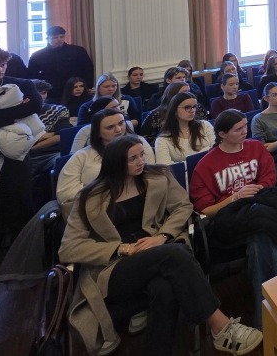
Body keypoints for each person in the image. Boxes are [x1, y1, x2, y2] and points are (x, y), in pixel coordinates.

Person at [59, 135, 262, 356]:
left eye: (141, 155)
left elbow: (183, 206)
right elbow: (69, 248)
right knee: (175, 254)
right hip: (115, 268)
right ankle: (221, 327)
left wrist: (163, 236)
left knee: (164, 287)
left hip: (157, 252)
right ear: (116, 163)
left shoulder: (158, 176)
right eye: (132, 159)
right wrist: (123, 248)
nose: (141, 161)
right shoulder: (90, 196)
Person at [189, 109, 277, 327]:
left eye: (245, 126)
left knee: (260, 237)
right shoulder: (206, 165)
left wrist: (256, 190)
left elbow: (269, 177)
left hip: (259, 209)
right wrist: (235, 197)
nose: (245, 131)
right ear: (222, 134)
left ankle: (266, 321)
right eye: (238, 129)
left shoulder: (256, 147)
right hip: (229, 219)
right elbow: (205, 210)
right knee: (265, 219)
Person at [0, 47, 44, 239]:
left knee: (19, 200)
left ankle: (22, 244)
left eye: (3, 65)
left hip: (16, 152)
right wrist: (15, 114)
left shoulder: (21, 84)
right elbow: (23, 113)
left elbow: (35, 106)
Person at [57, 108, 155, 214]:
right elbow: (64, 193)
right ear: (98, 132)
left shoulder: (140, 143)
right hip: (96, 210)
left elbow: (152, 175)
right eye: (110, 127)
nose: (118, 130)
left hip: (140, 202)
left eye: (121, 123)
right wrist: (106, 192)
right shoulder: (82, 156)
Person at [26, 25, 94, 101]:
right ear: (47, 38)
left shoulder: (77, 51)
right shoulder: (37, 56)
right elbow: (32, 76)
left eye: (61, 37)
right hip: (51, 93)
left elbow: (88, 69)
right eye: (55, 37)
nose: (59, 40)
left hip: (74, 90)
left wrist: (88, 87)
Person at [155, 92, 216, 163]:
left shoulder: (204, 125)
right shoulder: (163, 139)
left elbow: (217, 149)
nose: (192, 111)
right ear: (175, 111)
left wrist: (186, 162)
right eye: (187, 107)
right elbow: (166, 166)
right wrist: (206, 151)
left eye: (194, 107)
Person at [251, 83, 277, 154]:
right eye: (274, 95)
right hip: (276, 155)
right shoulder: (258, 119)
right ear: (266, 98)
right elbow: (261, 147)